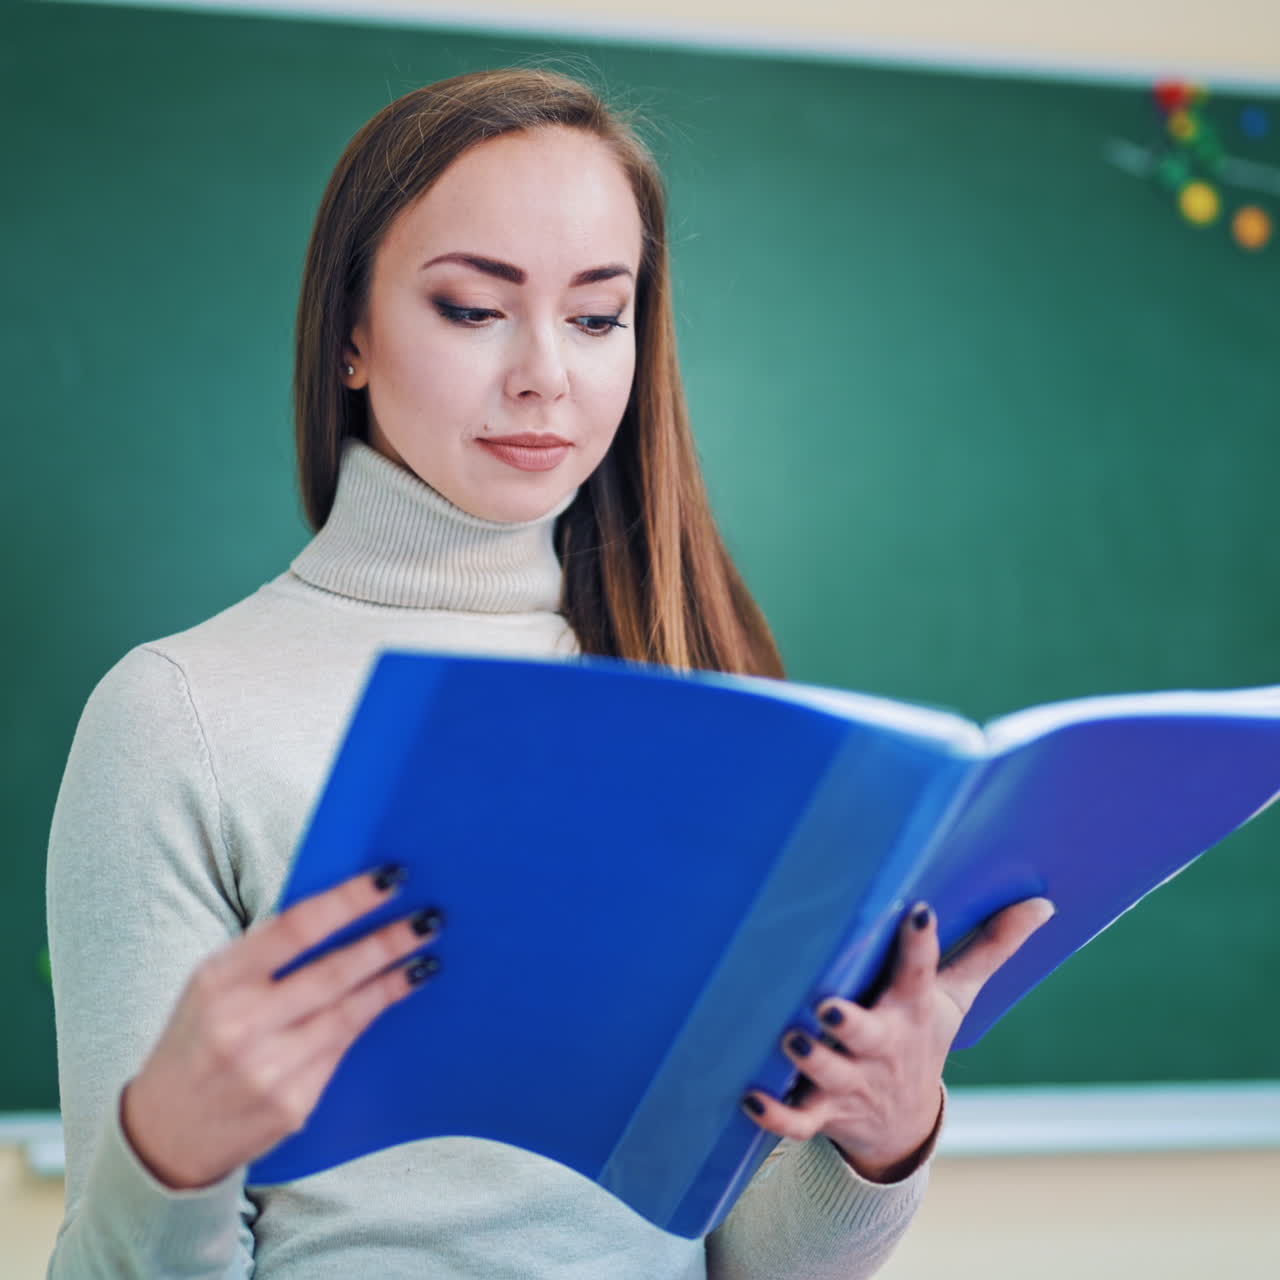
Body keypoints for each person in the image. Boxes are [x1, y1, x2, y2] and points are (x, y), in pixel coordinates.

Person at [45, 67, 1053, 1278]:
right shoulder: (177, 716)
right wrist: (172, 1151)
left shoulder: (704, 699)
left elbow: (745, 1258)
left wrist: (879, 1141)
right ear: (350, 335)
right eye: (473, 308)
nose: (545, 375)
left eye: (595, 315)